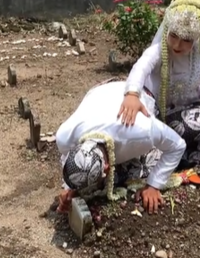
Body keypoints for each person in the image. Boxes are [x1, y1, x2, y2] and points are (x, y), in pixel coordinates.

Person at [117, 0, 200, 168]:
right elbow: (140, 68)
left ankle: (181, 157)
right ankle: (168, 155)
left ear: (198, 39)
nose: (177, 45)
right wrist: (132, 94)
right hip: (156, 116)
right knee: (134, 132)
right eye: (174, 36)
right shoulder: (159, 51)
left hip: (188, 116)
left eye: (186, 39)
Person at [56, 80, 187, 215]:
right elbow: (67, 156)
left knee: (141, 171)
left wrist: (154, 185)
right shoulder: (64, 136)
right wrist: (69, 188)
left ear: (106, 168)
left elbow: (178, 145)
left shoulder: (141, 132)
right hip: (100, 90)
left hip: (138, 93)